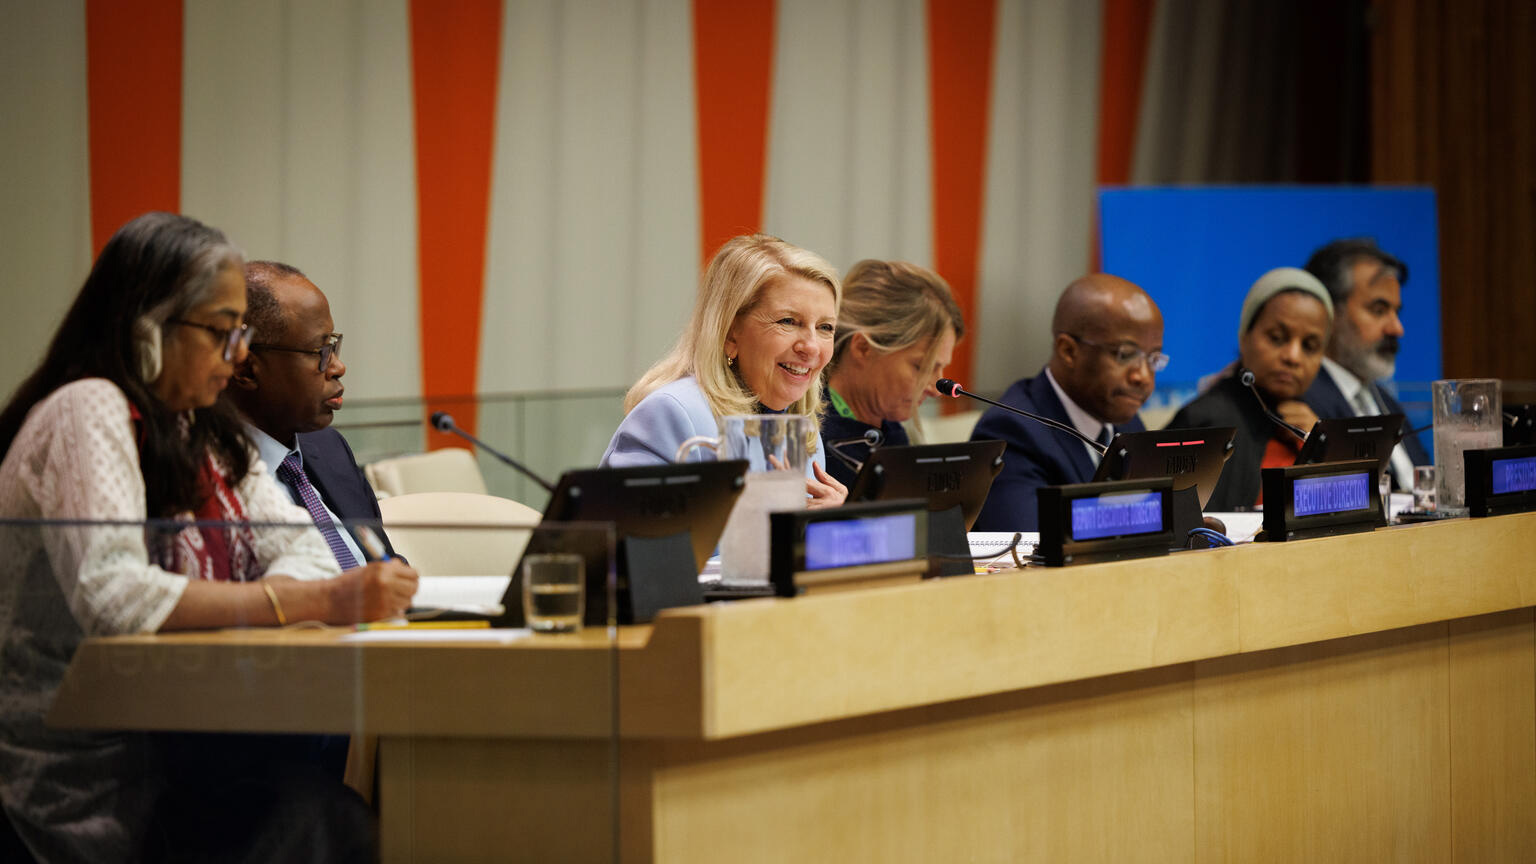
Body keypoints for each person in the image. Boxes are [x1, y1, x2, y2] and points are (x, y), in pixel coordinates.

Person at [0, 212, 418, 863]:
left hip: (174, 755)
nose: (238, 356)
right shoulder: (89, 408)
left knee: (332, 814)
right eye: (222, 333)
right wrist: (303, 604)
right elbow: (115, 596)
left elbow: (303, 546)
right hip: (73, 781)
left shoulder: (201, 429)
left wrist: (299, 590)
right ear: (148, 328)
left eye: (241, 336)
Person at [601, 233, 847, 507]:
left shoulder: (800, 427)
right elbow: (638, 547)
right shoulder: (672, 414)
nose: (811, 347)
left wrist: (828, 529)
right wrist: (778, 539)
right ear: (730, 333)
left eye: (825, 327)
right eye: (788, 321)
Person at [227, 261, 396, 565]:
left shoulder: (330, 449)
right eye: (319, 352)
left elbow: (385, 564)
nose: (337, 367)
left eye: (333, 346)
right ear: (246, 369)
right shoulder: (211, 477)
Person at [970, 274, 1165, 532]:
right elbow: (1026, 546)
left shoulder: (1126, 423)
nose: (1142, 376)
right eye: (1125, 355)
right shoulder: (1011, 431)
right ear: (1069, 351)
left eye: (1153, 359)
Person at [1168, 267, 1334, 511]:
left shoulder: (1320, 418)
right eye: (1277, 338)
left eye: (1310, 346)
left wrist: (1321, 449)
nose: (1293, 356)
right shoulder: (1206, 420)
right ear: (1244, 336)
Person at [818, 260, 964, 487]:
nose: (936, 390)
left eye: (940, 367)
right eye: (921, 367)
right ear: (863, 348)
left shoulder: (892, 433)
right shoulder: (809, 439)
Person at [1302, 238, 1427, 490]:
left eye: (1396, 312)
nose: (1397, 328)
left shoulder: (1386, 403)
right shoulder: (1301, 401)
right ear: (1326, 312)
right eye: (1379, 310)